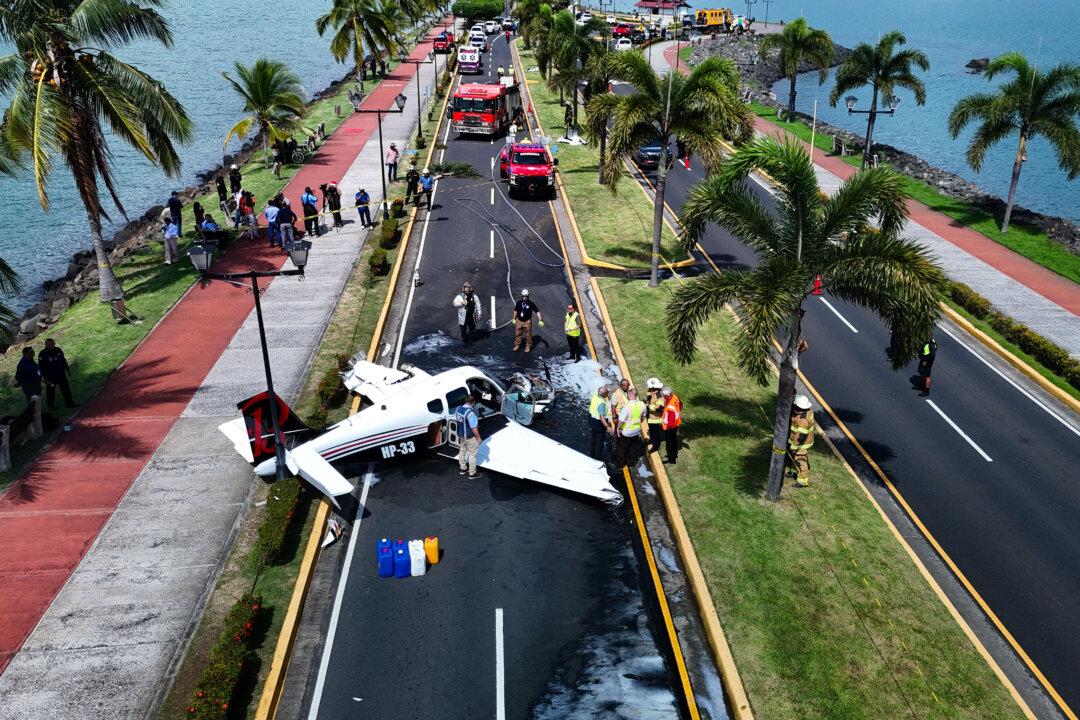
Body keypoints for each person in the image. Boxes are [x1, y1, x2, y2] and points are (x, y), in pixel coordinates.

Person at [787, 394, 815, 487]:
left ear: (799, 407)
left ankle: (803, 481)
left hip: (801, 444)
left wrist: (794, 447)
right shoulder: (807, 412)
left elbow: (799, 437)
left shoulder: (803, 421)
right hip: (803, 442)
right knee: (796, 459)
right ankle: (796, 472)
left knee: (800, 460)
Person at [39, 338, 75, 408]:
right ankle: (51, 405)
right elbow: (41, 367)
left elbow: (63, 360)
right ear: (45, 345)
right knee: (51, 391)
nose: (50, 346)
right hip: (50, 377)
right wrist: (44, 378)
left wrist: (67, 369)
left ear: (54, 344)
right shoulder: (43, 354)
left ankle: (69, 403)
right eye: (48, 344)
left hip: (61, 374)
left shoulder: (58, 350)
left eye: (51, 344)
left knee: (66, 389)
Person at [615, 388, 646, 469]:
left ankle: (619, 465)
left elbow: (621, 421)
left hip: (626, 432)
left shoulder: (626, 407)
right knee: (632, 448)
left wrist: (618, 429)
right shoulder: (642, 405)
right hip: (636, 431)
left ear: (629, 395)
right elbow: (643, 416)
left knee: (622, 448)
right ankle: (631, 464)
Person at [456, 392, 483, 479]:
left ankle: (462, 469)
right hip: (469, 437)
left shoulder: (458, 409)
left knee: (462, 451)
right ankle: (472, 473)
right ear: (473, 402)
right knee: (472, 454)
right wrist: (478, 438)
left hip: (461, 435)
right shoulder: (470, 413)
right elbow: (474, 428)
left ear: (466, 400)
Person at [588, 385, 614, 461]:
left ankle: (591, 453)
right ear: (605, 394)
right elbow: (601, 417)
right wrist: (607, 427)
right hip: (598, 423)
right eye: (607, 392)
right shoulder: (601, 403)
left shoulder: (594, 395)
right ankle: (597, 457)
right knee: (599, 441)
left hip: (591, 419)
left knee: (593, 438)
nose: (608, 393)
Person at [661, 386, 682, 464]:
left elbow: (671, 420)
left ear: (666, 395)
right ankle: (675, 455)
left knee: (669, 443)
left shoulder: (670, 406)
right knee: (674, 440)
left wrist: (667, 428)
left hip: (670, 427)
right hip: (676, 423)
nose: (663, 397)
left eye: (663, 396)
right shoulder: (675, 397)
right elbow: (681, 404)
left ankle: (671, 459)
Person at [644, 377, 665, 455]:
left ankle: (655, 447)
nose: (648, 389)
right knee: (652, 431)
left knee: (656, 434)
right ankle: (651, 441)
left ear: (654, 388)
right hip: (651, 417)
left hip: (656, 419)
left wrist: (648, 406)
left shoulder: (659, 396)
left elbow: (659, 408)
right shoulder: (652, 393)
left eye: (650, 388)